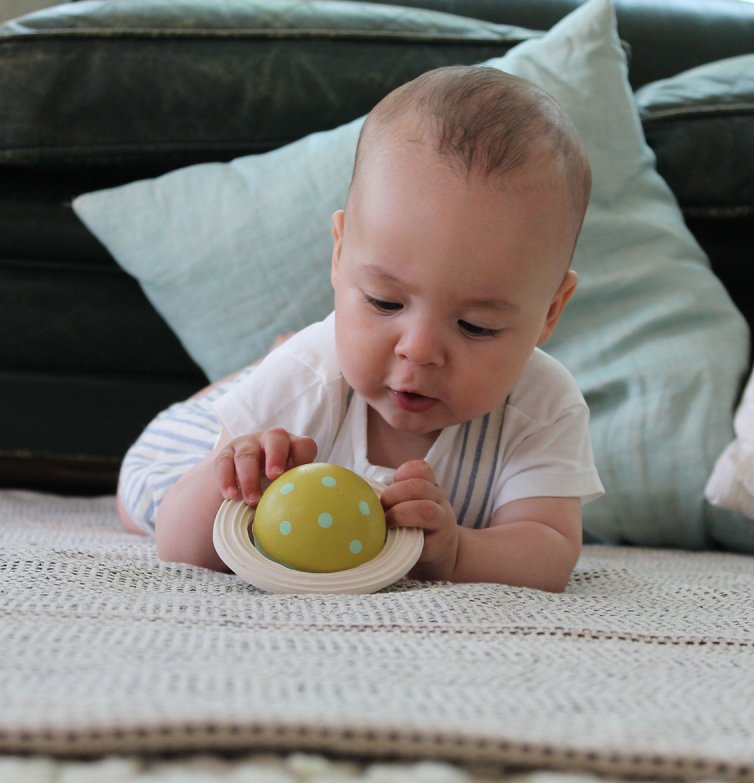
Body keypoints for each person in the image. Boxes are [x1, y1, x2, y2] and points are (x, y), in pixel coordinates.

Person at [117, 65, 604, 591]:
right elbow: (178, 545)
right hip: (199, 439)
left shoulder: (542, 405)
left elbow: (549, 553)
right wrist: (239, 484)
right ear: (340, 251)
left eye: (475, 326)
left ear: (550, 312)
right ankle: (237, 388)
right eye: (384, 301)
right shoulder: (304, 380)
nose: (418, 351)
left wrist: (458, 551)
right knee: (141, 499)